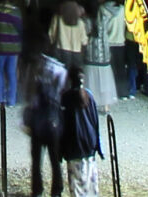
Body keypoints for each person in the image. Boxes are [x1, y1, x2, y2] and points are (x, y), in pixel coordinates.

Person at [24, 53, 67, 197]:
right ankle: (57, 190)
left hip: (38, 125)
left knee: (36, 161)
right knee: (55, 160)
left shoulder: (36, 70)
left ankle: (37, 190)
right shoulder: (60, 71)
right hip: (53, 123)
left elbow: (30, 100)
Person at [56, 67, 103, 197]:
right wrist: (98, 145)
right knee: (90, 183)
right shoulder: (89, 96)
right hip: (89, 144)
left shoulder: (65, 97)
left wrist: (60, 150)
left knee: (76, 184)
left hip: (73, 146)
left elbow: (61, 124)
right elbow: (95, 122)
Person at [0, 0, 25, 107]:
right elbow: (20, 29)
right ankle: (11, 100)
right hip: (14, 48)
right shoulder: (16, 12)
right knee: (11, 73)